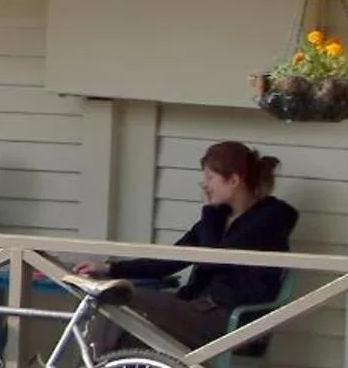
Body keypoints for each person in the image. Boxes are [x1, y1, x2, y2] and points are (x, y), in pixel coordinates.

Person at [82, 141, 298, 354]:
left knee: (116, 298)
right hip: (198, 309)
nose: (204, 185)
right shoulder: (219, 219)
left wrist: (209, 212)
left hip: (232, 321)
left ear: (233, 180)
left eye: (210, 177)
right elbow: (171, 260)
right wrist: (110, 269)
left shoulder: (268, 221)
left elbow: (212, 258)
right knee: (127, 333)